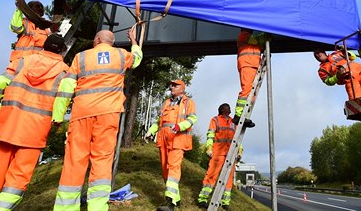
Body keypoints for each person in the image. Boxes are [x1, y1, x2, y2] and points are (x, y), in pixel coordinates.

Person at [0, 34, 72, 210]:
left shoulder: (22, 61)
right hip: (35, 132)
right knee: (18, 179)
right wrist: (57, 119)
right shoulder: (65, 72)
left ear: (44, 45)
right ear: (63, 50)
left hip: (8, 126)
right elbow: (63, 97)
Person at [54, 29, 143, 211]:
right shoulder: (120, 54)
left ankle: (65, 208)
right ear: (111, 41)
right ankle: (97, 206)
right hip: (108, 114)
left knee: (74, 160)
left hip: (82, 113)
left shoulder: (81, 57)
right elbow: (137, 59)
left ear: (98, 40)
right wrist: (134, 40)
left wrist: (58, 115)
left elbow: (67, 86)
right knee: (102, 160)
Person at [145, 80, 197, 211]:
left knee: (173, 168)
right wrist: (151, 131)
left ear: (182, 89)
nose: (172, 87)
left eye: (175, 85)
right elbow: (159, 121)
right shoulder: (166, 102)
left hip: (178, 139)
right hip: (163, 139)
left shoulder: (188, 102)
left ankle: (170, 203)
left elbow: (192, 119)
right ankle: (176, 199)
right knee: (165, 170)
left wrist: (180, 126)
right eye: (171, 85)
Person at [197, 103, 241, 209]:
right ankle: (203, 199)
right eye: (227, 107)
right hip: (217, 153)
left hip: (230, 155)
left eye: (229, 107)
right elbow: (210, 135)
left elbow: (238, 139)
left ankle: (225, 202)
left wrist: (239, 152)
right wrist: (209, 148)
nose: (229, 108)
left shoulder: (234, 122)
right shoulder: (215, 120)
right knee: (211, 176)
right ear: (222, 110)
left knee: (229, 179)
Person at [234, 28, 268, 128]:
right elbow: (256, 40)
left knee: (252, 93)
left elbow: (259, 43)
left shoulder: (250, 39)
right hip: (247, 64)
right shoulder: (243, 35)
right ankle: (238, 115)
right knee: (247, 90)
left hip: (253, 65)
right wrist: (265, 34)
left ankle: (244, 115)